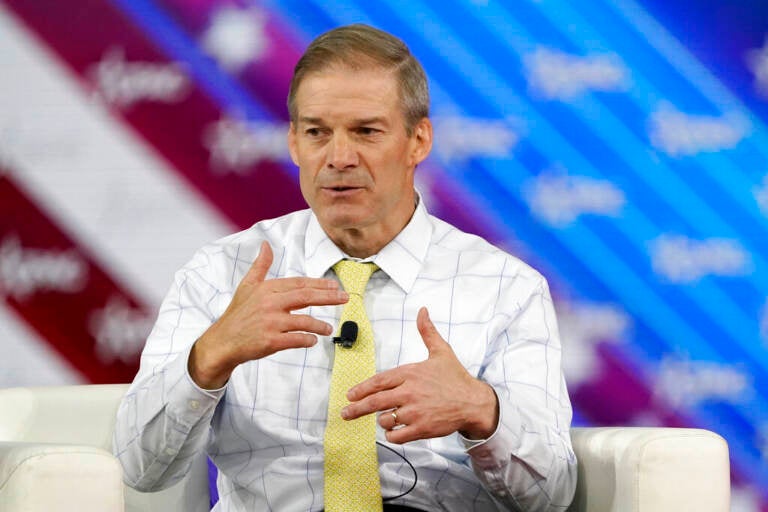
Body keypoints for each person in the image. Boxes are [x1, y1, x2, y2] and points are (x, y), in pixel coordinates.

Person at [114, 23, 577, 511]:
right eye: (317, 132)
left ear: (418, 140)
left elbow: (553, 497)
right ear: (294, 143)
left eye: (366, 131)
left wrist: (481, 411)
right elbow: (140, 471)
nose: (338, 157)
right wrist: (209, 357)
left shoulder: (506, 288)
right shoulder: (222, 272)